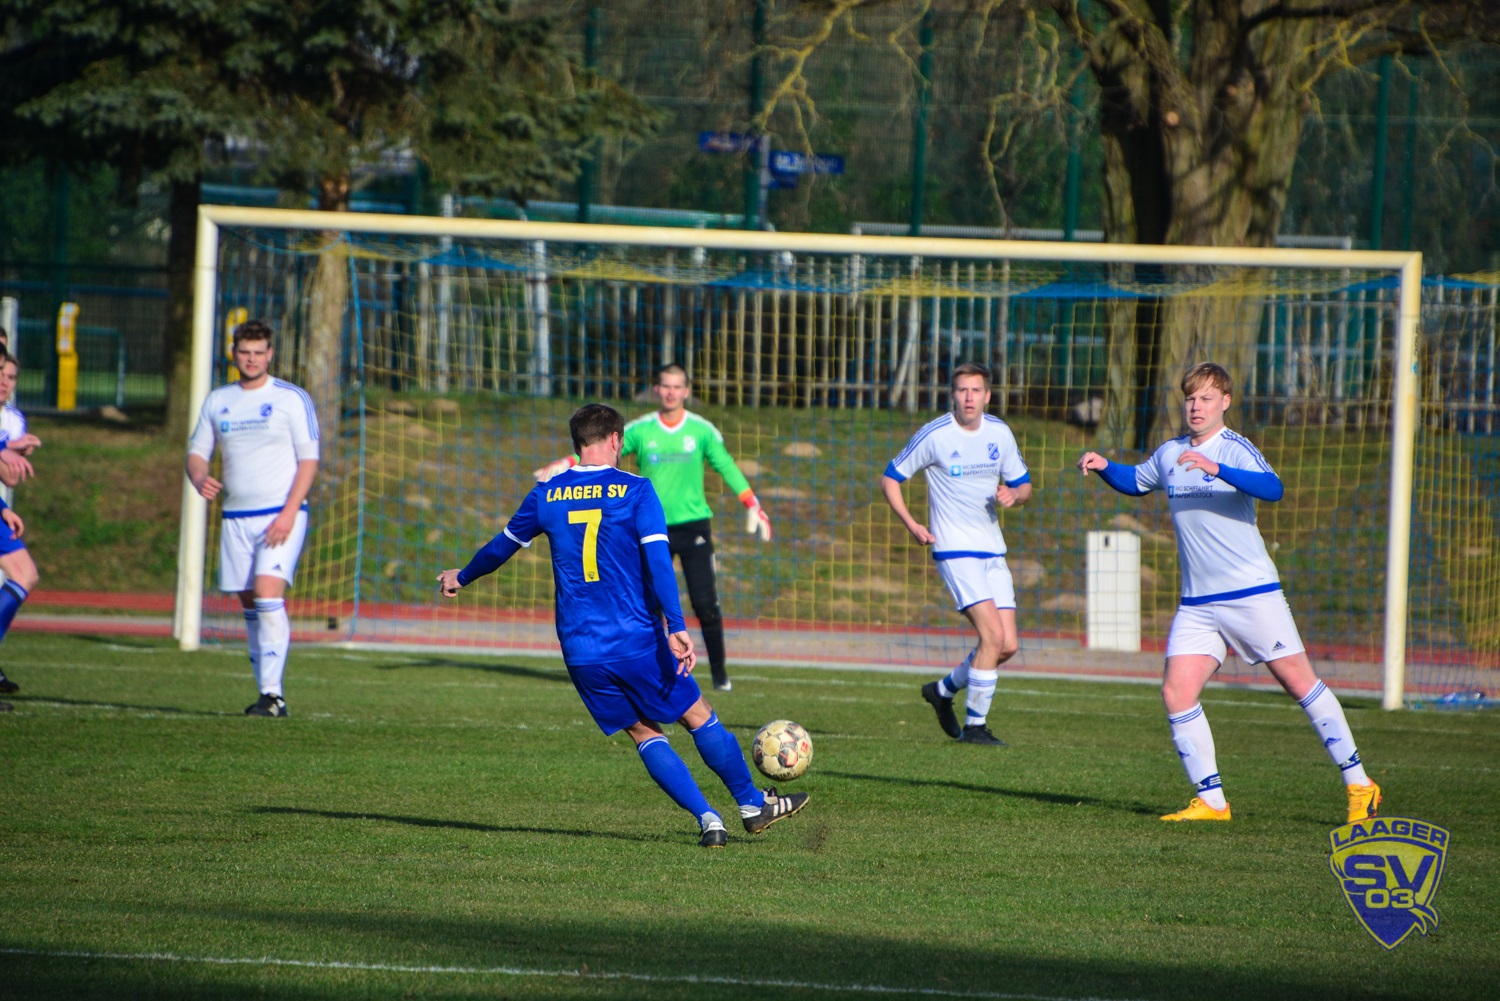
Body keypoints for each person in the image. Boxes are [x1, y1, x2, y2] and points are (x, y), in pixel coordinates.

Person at [446, 403, 806, 848]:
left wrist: (461, 576)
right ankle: (751, 804)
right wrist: (676, 624)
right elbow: (658, 561)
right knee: (697, 714)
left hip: (580, 649)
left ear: (577, 441)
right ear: (617, 439)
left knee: (643, 733)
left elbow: (501, 547)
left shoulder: (546, 494)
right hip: (634, 637)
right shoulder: (636, 490)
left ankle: (708, 819)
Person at [1077, 362, 1382, 824]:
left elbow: (1273, 488)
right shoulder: (1171, 452)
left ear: (1225, 402)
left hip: (1251, 593)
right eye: (1190, 398)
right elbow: (1136, 481)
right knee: (1177, 691)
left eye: (1206, 398)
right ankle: (1213, 802)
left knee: (1299, 683)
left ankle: (1360, 784)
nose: (1196, 406)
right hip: (1198, 603)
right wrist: (1104, 467)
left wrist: (1216, 468)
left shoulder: (1234, 447)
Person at [534, 364, 771, 692]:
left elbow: (726, 465)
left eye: (677, 386)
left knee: (705, 603)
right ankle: (660, 670)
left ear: (686, 391)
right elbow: (597, 448)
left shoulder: (701, 430)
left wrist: (752, 503)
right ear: (657, 390)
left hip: (693, 528)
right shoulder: (641, 430)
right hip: (648, 529)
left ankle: (720, 676)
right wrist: (566, 463)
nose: (671, 392)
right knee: (651, 604)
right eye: (666, 386)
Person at [882, 362, 1032, 746]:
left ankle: (942, 691)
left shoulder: (999, 432)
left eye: (975, 390)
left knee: (1007, 645)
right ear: (953, 395)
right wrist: (912, 524)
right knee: (991, 635)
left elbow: (1024, 485)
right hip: (955, 550)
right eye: (962, 390)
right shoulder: (935, 434)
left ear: (987, 396)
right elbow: (890, 478)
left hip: (993, 550)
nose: (969, 397)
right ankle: (975, 728)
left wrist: (1014, 495)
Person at [186, 320, 320, 717]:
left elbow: (309, 460)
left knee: (267, 594)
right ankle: (266, 693)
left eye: (259, 352)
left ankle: (274, 695)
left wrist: (289, 512)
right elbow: (197, 453)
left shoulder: (290, 398)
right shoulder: (218, 400)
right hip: (235, 518)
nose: (251, 359)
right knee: (250, 603)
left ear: (270, 354)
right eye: (245, 352)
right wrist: (199, 477)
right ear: (233, 353)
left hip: (281, 515)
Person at [0, 346, 40, 710]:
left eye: (9, 374)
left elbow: (9, 476)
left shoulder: (11, 418)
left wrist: (3, 509)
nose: (3, 380)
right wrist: (7, 447)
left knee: (24, 573)